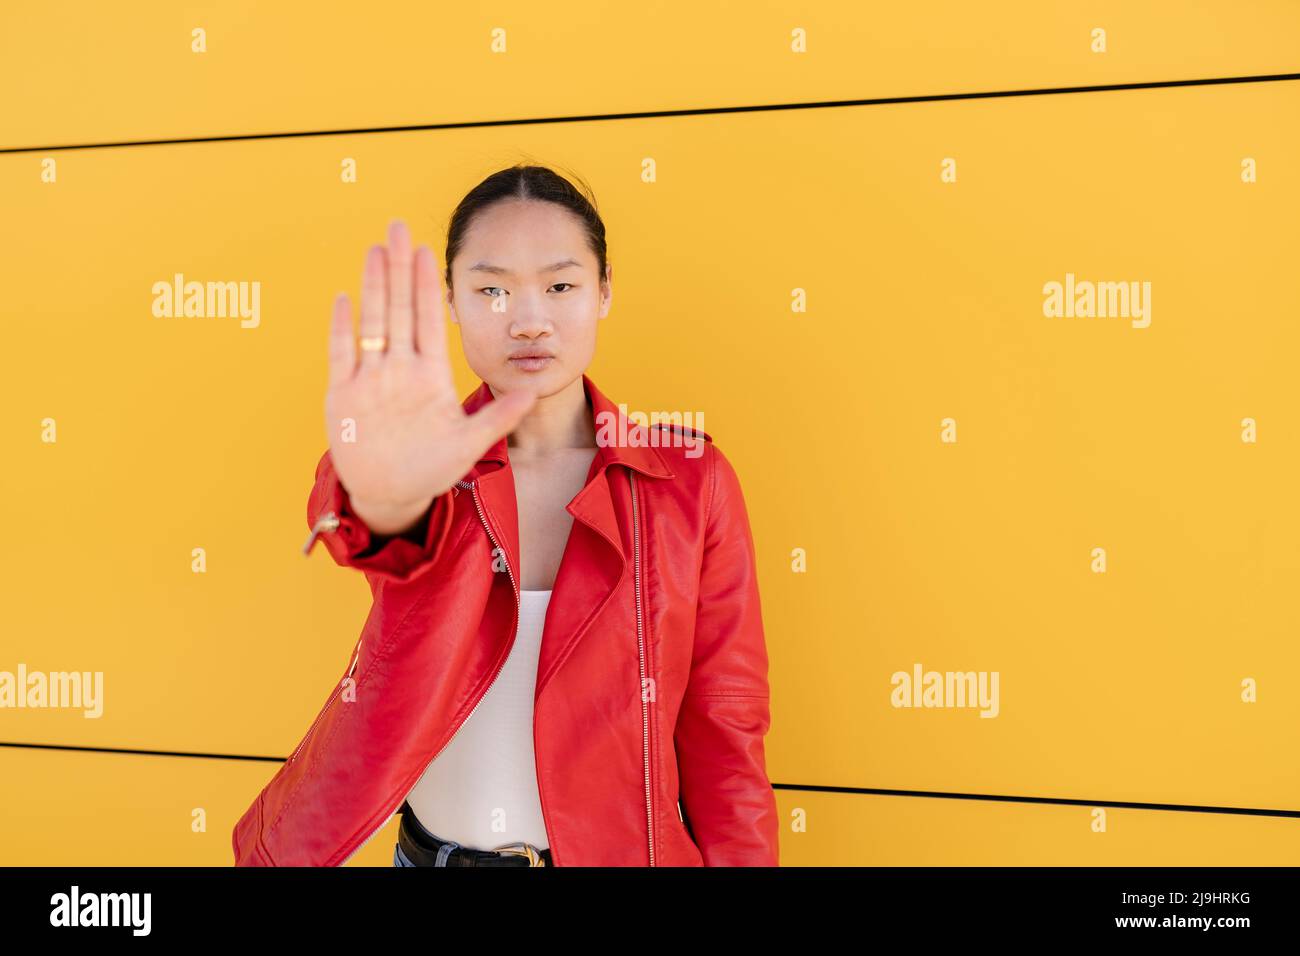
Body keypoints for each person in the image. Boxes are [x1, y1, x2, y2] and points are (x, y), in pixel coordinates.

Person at [231, 163, 779, 867]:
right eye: (491, 289)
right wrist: (382, 496)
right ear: (450, 301)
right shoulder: (425, 466)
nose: (527, 320)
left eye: (560, 286)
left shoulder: (691, 483)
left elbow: (726, 731)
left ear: (604, 289)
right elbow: (371, 525)